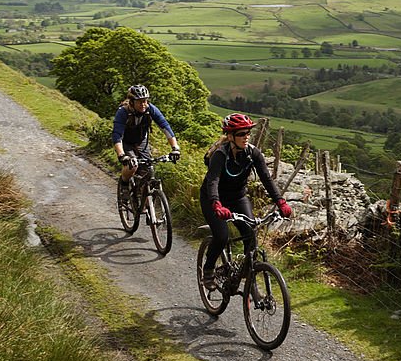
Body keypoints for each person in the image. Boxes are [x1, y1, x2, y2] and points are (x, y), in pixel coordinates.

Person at [200, 113, 293, 288]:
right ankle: (208, 270)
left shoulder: (253, 153)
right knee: (221, 236)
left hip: (237, 197)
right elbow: (213, 181)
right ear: (230, 136)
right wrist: (216, 203)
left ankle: (245, 275)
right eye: (241, 134)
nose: (246, 137)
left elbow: (266, 178)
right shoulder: (220, 155)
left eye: (248, 133)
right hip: (213, 199)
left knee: (250, 235)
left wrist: (280, 201)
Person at [112, 84, 181, 189]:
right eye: (140, 102)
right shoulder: (123, 112)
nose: (143, 104)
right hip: (125, 142)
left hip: (141, 141)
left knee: (148, 169)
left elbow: (165, 127)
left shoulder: (151, 109)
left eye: (145, 101)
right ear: (132, 102)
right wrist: (122, 155)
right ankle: (124, 186)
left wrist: (175, 148)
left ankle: (144, 196)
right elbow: (117, 135)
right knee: (132, 166)